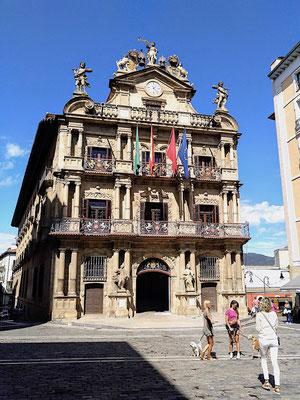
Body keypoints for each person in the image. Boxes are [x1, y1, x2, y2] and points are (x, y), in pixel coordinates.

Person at [256, 297, 280, 394]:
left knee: (264, 358)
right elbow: (276, 326)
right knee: (275, 362)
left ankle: (266, 381)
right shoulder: (274, 314)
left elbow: (258, 328)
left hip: (264, 339)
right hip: (273, 339)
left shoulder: (259, 315)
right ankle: (277, 386)